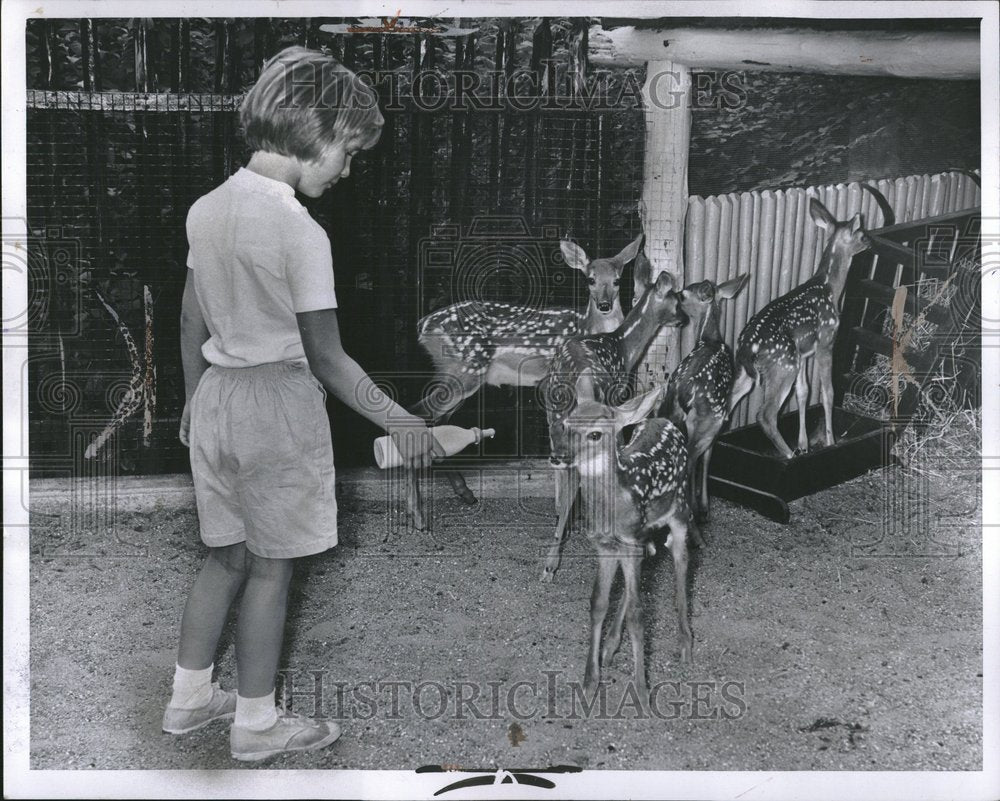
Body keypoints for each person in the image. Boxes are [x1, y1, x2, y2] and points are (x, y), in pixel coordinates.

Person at [161, 46, 438, 762]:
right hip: (277, 405)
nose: (347, 170)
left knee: (224, 556)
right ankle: (255, 723)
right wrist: (402, 419)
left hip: (216, 397)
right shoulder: (300, 231)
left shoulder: (206, 208)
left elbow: (191, 320)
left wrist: (194, 400)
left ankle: (188, 699)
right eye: (348, 152)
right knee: (272, 566)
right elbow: (327, 358)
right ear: (316, 134)